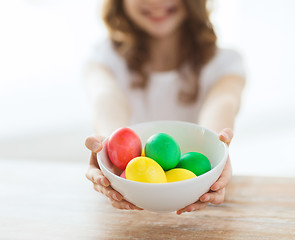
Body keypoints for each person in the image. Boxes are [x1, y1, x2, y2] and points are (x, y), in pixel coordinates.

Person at [84, 0, 245, 215]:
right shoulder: (104, 58)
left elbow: (223, 101)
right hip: (126, 208)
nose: (155, 2)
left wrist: (217, 147)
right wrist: (108, 145)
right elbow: (106, 98)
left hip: (206, 210)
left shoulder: (225, 62)